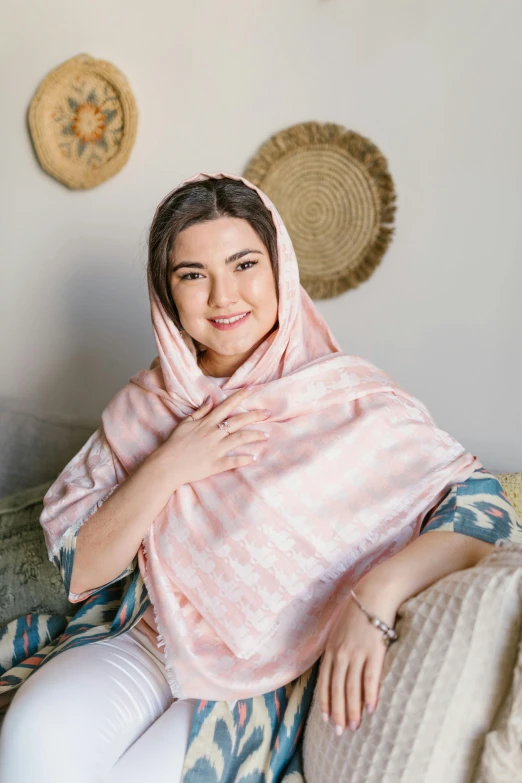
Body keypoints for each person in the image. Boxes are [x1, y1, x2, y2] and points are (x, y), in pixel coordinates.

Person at [0, 173, 519, 783]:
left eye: (244, 263)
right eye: (192, 274)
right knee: (33, 742)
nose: (223, 296)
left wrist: (374, 595)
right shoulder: (147, 407)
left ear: (280, 270)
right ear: (167, 294)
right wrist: (171, 463)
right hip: (144, 639)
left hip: (262, 682)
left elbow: (482, 508)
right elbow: (82, 568)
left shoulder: (353, 400)